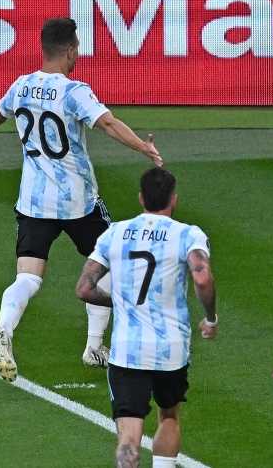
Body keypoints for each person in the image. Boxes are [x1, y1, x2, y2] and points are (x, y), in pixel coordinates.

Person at [0, 17, 163, 381]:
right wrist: (142, 147)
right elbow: (107, 123)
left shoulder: (21, 85)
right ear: (70, 50)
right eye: (77, 49)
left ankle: (4, 328)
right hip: (77, 202)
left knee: (28, 277)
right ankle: (94, 347)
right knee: (108, 264)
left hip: (34, 202)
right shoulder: (74, 91)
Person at [76, 167, 218, 468]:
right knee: (169, 416)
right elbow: (202, 277)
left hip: (127, 350)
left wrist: (120, 302)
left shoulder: (115, 233)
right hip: (171, 349)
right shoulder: (187, 234)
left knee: (128, 437)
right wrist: (210, 318)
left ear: (141, 198)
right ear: (174, 199)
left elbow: (84, 288)